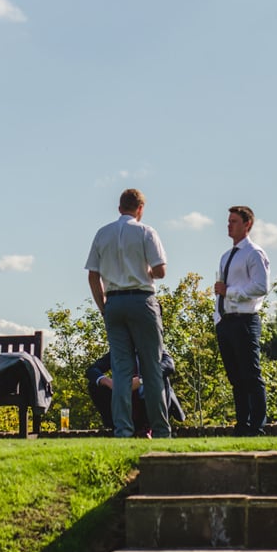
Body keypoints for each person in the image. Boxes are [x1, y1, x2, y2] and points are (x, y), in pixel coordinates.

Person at [85, 187, 172, 438]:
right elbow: (160, 270)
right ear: (140, 209)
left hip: (113, 302)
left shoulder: (103, 234)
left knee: (121, 369)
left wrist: (103, 306)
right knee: (152, 367)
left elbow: (92, 274)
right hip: (141, 299)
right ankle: (160, 429)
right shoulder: (146, 232)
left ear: (119, 207)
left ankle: (122, 430)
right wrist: (145, 271)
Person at [214, 204, 270, 436]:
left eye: (234, 221)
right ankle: (242, 424)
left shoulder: (254, 253)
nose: (229, 225)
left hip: (245, 320)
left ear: (248, 224)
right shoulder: (226, 256)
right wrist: (218, 318)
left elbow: (261, 286)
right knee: (235, 377)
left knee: (250, 374)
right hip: (226, 322)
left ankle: (258, 426)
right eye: (229, 221)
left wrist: (230, 292)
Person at [84, 346, 184, 436]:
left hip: (149, 403)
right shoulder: (118, 352)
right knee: (95, 384)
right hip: (126, 403)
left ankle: (150, 426)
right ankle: (117, 426)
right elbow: (92, 370)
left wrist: (141, 379)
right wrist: (108, 382)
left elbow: (169, 365)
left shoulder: (154, 348)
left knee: (161, 378)